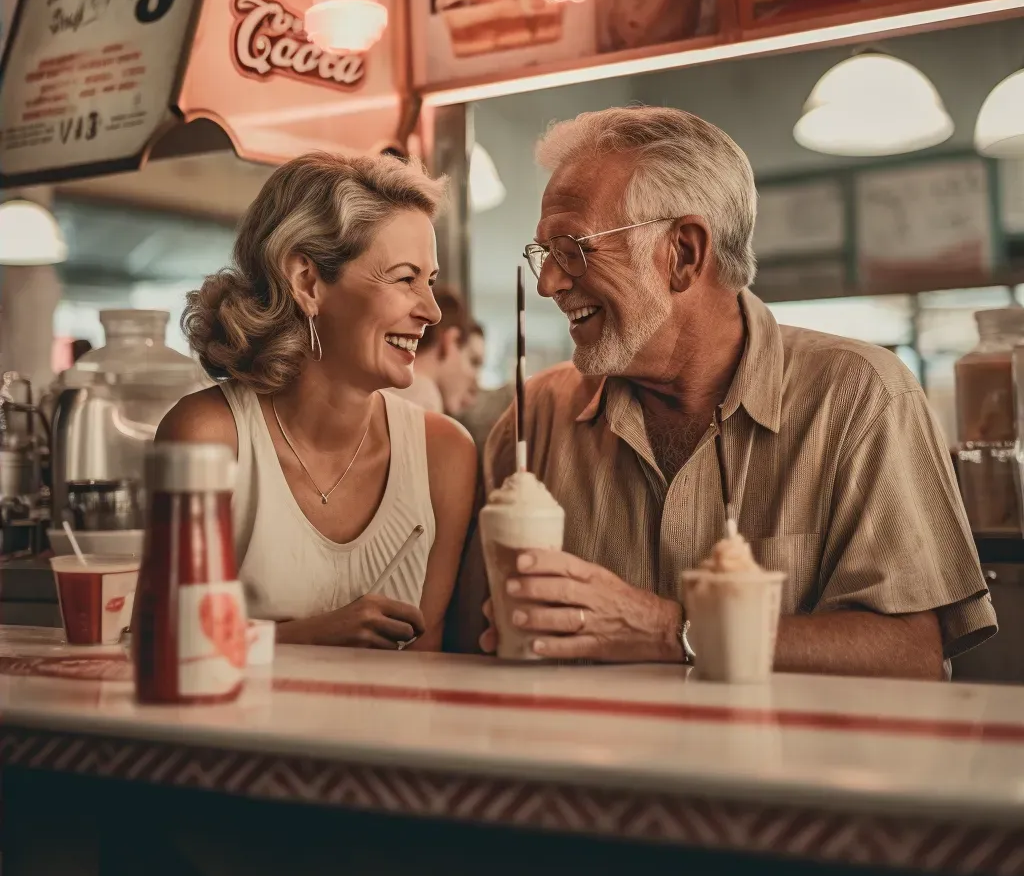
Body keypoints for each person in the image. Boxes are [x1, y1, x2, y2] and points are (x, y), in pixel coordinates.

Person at [456, 107, 996, 679]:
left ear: (684, 253)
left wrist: (668, 631)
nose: (549, 283)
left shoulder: (859, 396)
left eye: (574, 248)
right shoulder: (538, 415)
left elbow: (909, 653)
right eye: (544, 253)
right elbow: (470, 645)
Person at [158, 152, 477, 652]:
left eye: (430, 282)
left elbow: (424, 670)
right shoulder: (209, 437)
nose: (432, 312)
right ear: (307, 281)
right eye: (403, 278)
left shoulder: (445, 454)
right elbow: (164, 644)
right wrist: (313, 636)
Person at [395, 286, 484, 417]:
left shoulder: (383, 392)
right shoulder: (425, 396)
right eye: (473, 361)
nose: (475, 382)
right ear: (450, 341)